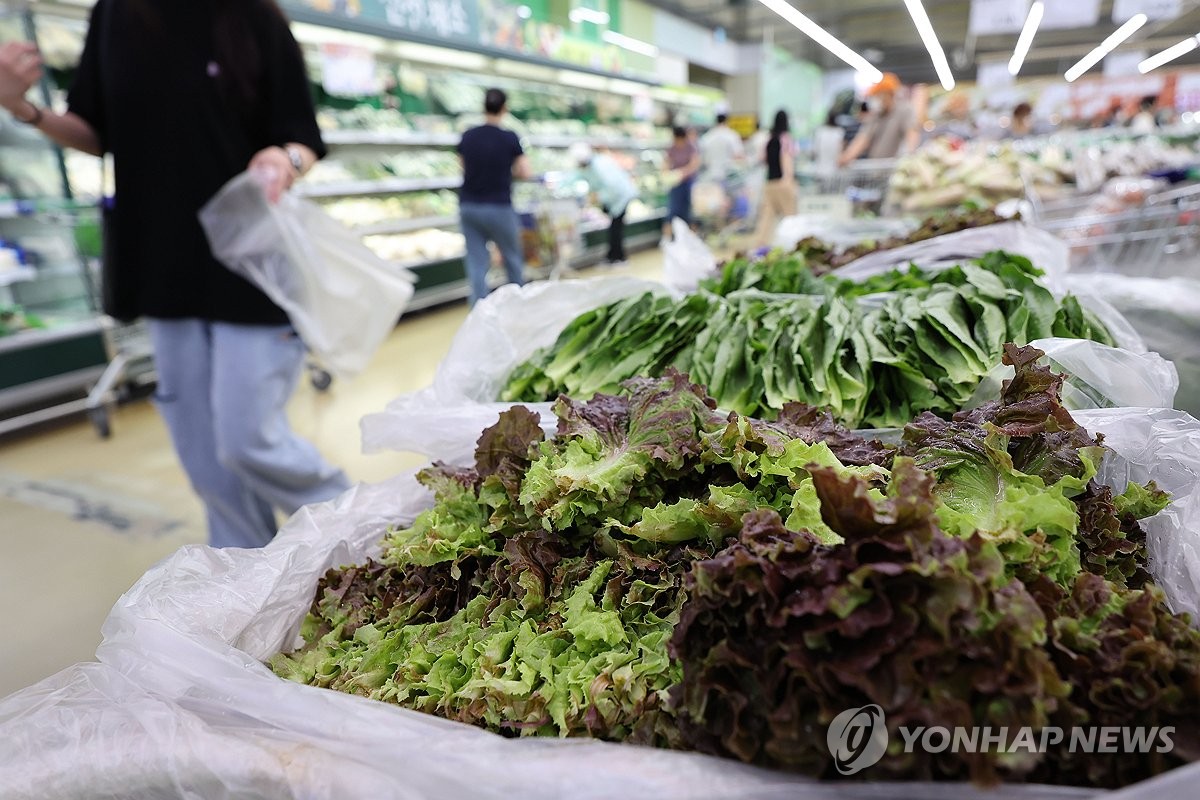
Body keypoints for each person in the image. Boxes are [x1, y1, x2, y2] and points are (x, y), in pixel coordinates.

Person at [0, 0, 349, 549]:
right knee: (208, 466)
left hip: (248, 263)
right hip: (160, 264)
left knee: (245, 440)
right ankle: (251, 589)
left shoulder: (255, 17)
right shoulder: (116, 15)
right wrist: (22, 107)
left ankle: (360, 527)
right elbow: (95, 129)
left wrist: (286, 159)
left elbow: (303, 134)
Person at [457, 88, 530, 305]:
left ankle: (479, 311)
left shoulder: (468, 136)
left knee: (477, 263)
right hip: (499, 205)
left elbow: (461, 165)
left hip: (469, 206)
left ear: (484, 106)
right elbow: (525, 171)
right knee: (512, 259)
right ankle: (520, 305)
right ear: (505, 108)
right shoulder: (509, 138)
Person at [570, 142, 637, 266]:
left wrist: (598, 197)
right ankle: (612, 256)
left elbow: (613, 187)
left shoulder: (600, 165)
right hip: (614, 200)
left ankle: (619, 258)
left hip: (621, 197)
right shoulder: (590, 167)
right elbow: (577, 177)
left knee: (616, 228)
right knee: (614, 227)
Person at [838, 73, 919, 165]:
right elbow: (863, 139)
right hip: (875, 167)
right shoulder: (875, 116)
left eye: (880, 95)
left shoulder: (904, 111)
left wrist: (910, 157)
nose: (877, 99)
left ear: (890, 94)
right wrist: (846, 157)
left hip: (893, 167)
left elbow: (912, 133)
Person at [753, 110, 797, 249]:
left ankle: (760, 247)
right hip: (782, 183)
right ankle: (793, 245)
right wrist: (788, 178)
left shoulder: (769, 139)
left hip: (769, 183)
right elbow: (787, 158)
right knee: (790, 217)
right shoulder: (786, 139)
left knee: (766, 219)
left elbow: (762, 159)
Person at [663, 126, 700, 241]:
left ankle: (692, 238)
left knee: (689, 212)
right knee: (672, 211)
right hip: (675, 184)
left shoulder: (691, 148)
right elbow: (666, 163)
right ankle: (667, 238)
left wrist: (683, 172)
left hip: (688, 183)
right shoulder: (672, 148)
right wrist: (668, 174)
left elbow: (694, 164)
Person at [698, 112, 745, 184]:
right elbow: (738, 155)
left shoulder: (707, 137)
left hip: (710, 175)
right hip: (728, 176)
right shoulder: (731, 135)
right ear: (726, 121)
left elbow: (701, 157)